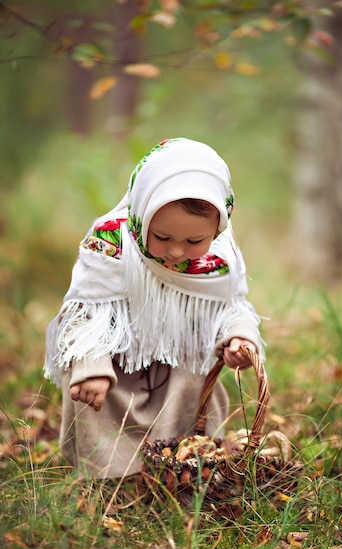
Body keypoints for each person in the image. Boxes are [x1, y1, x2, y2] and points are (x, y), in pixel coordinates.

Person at [44, 138, 264, 479]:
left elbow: (230, 308)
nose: (176, 252)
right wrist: (93, 365)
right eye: (161, 236)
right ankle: (109, 475)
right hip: (114, 371)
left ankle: (188, 464)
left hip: (175, 369)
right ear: (140, 213)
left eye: (194, 241)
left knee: (197, 376)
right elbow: (81, 315)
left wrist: (237, 338)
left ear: (218, 226)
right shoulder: (111, 246)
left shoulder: (219, 260)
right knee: (89, 392)